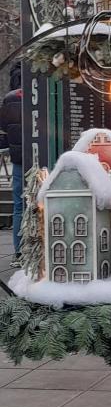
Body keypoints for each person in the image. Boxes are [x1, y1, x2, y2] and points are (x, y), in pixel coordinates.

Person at [0, 63, 23, 267]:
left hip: (18, 161)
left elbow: (4, 134)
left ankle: (19, 253)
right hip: (44, 159)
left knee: (19, 207)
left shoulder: (9, 99)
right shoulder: (43, 93)